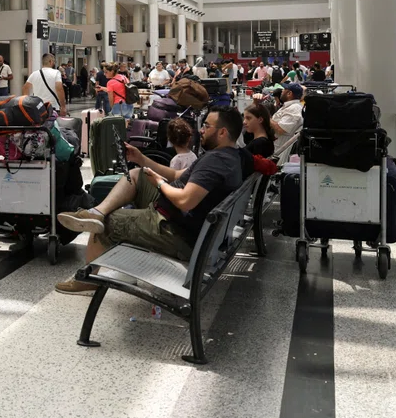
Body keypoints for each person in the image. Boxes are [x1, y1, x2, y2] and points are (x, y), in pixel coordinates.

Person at [55, 107, 250, 294]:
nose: (202, 130)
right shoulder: (230, 157)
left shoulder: (216, 162)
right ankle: (96, 212)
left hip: (175, 231)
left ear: (223, 132)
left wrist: (159, 183)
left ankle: (87, 280)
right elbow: (175, 174)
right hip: (182, 220)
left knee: (107, 223)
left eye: (207, 126)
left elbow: (185, 201)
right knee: (137, 175)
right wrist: (142, 159)